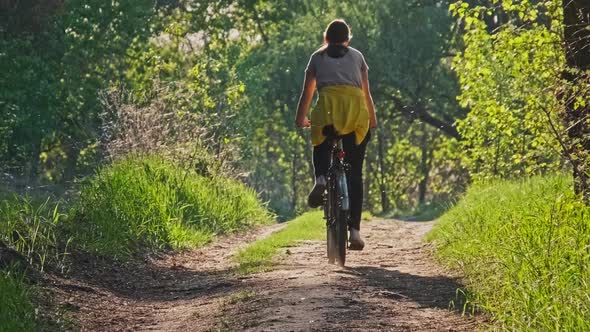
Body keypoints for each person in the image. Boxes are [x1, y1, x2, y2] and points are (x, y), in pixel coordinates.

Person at [295, 19, 377, 250]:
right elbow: (366, 92)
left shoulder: (317, 58)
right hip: (354, 114)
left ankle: (320, 178)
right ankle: (355, 232)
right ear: (348, 39)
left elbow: (307, 93)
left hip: (328, 112)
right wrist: (372, 120)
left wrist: (300, 118)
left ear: (325, 39)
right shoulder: (358, 56)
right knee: (355, 174)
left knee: (321, 141)